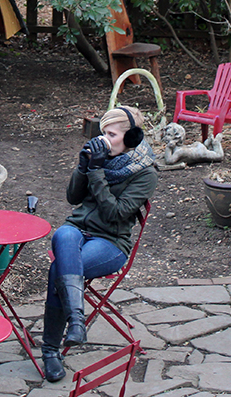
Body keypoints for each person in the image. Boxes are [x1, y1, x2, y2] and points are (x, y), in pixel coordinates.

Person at [41, 105, 158, 382]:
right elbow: (72, 198)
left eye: (111, 134)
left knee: (59, 270)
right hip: (77, 231)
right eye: (103, 133)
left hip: (111, 242)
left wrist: (96, 172)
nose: (104, 140)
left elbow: (115, 213)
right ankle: (76, 324)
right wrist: (84, 167)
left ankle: (50, 350)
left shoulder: (145, 173)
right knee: (62, 234)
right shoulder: (101, 157)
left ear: (131, 138)